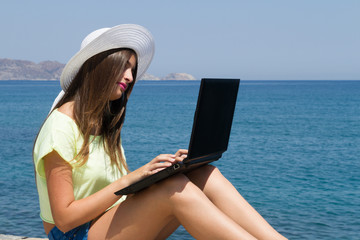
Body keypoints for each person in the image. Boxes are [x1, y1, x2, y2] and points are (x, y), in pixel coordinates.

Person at [33, 24, 287, 240]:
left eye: (132, 69)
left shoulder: (102, 123)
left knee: (201, 172)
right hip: (76, 234)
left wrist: (158, 172)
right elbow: (65, 219)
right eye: (125, 67)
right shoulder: (60, 127)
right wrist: (133, 177)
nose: (130, 77)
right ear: (101, 65)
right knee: (174, 188)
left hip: (110, 220)